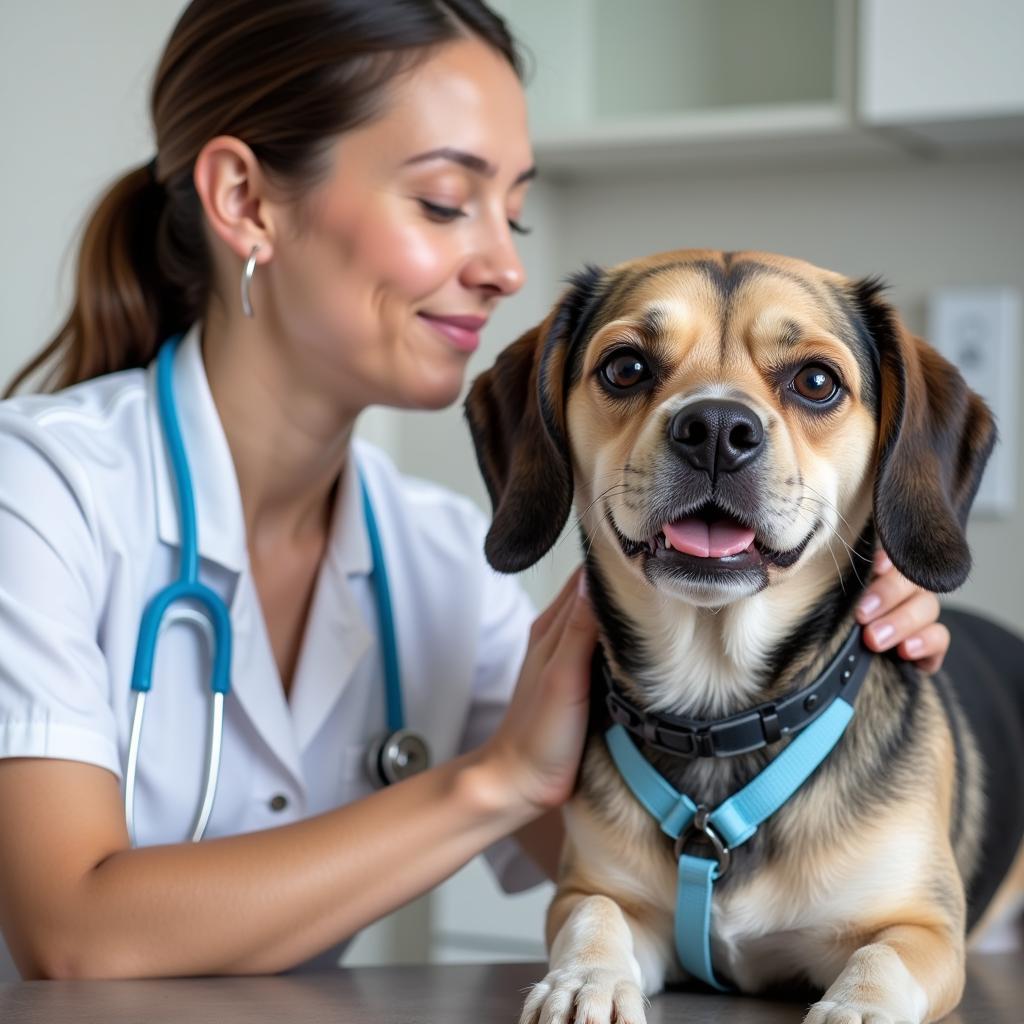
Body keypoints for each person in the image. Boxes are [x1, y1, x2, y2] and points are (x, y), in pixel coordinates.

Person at [0, 0, 948, 980]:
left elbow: (638, 867)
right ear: (245, 200)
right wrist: (489, 782)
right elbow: (71, 934)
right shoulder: (37, 488)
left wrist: (833, 658)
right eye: (447, 201)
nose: (504, 267)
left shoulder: (441, 552)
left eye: (514, 211)